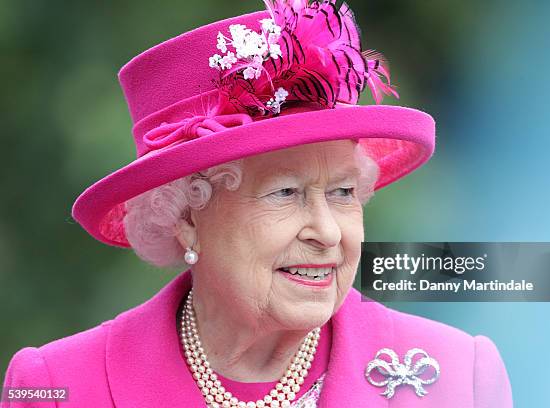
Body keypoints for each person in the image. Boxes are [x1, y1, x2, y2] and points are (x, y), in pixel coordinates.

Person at [1, 0, 512, 407]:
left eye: (342, 193)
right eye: (286, 193)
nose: (328, 232)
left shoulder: (457, 376)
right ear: (185, 217)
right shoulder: (56, 387)